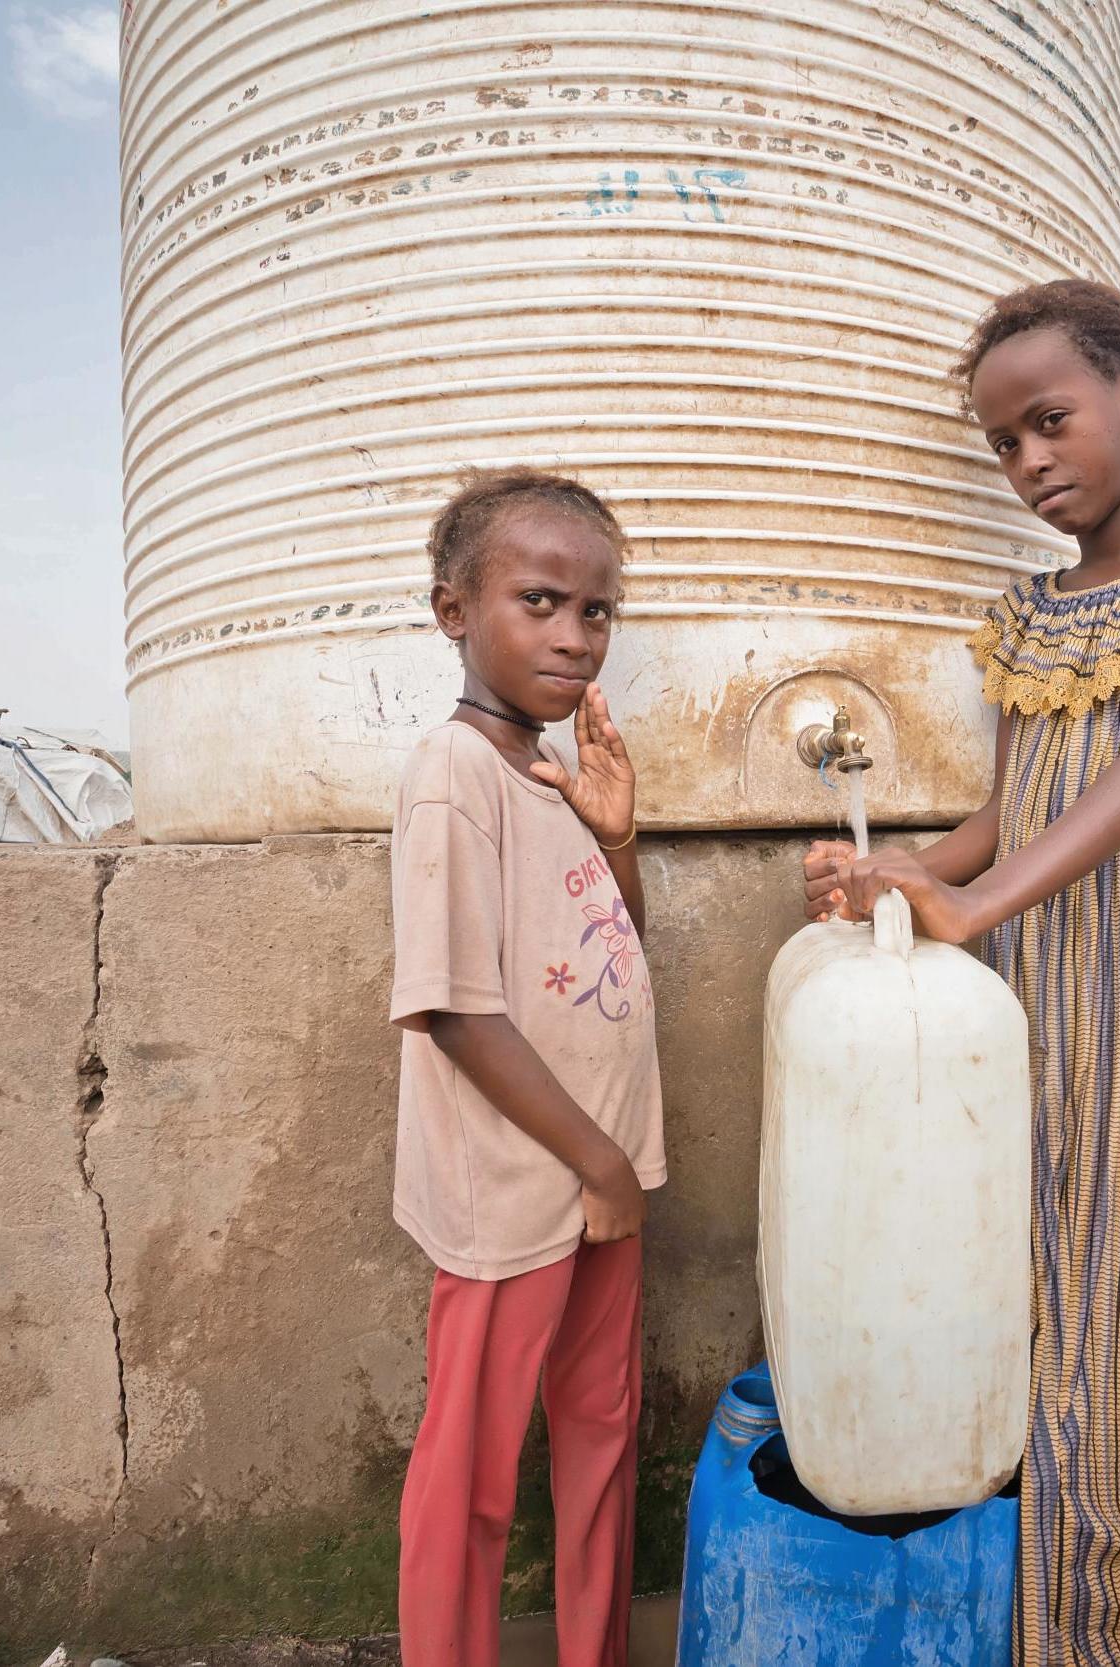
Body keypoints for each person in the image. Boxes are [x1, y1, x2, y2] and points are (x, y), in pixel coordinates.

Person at [804, 279, 1120, 1667]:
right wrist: (894, 868)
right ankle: (1049, 1620)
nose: (1030, 464)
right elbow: (1011, 812)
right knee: (1029, 1295)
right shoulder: (1023, 616)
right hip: (1016, 1002)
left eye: (1051, 421)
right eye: (1004, 444)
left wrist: (964, 904)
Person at [389, 468, 665, 1667]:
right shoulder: (451, 777)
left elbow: (615, 952)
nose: (572, 634)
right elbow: (453, 1008)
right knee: (475, 1474)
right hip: (522, 1190)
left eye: (595, 611)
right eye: (540, 601)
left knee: (600, 1431)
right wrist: (599, 1160)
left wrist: (616, 837)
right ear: (454, 609)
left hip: (603, 1182)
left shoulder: (546, 771)